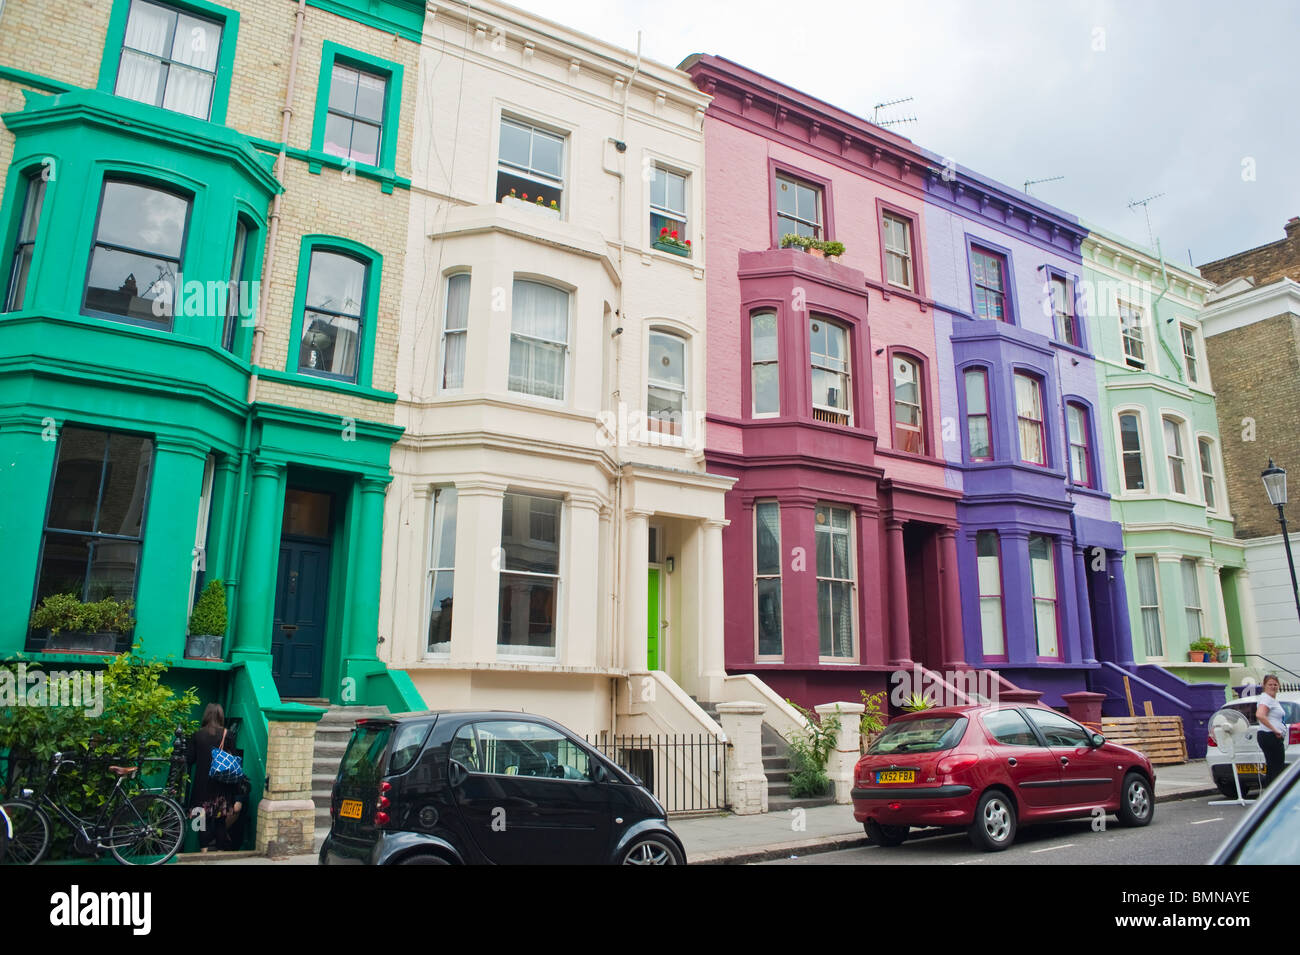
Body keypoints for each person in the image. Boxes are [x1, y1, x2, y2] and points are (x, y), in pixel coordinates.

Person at [185, 703, 251, 851]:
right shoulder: (228, 735)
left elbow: (190, 759)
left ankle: (203, 851)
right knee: (220, 820)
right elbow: (233, 759)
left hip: (202, 785)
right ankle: (219, 852)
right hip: (222, 786)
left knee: (201, 820)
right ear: (220, 716)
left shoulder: (197, 735)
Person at [1255, 674, 1288, 789]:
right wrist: (1276, 730)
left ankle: (1271, 794)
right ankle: (1275, 794)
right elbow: (1260, 715)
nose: (1273, 686)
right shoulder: (1266, 698)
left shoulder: (1270, 699)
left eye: (1275, 684)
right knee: (1277, 767)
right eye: (1270, 684)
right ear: (1264, 685)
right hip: (1270, 735)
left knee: (1274, 766)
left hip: (1269, 735)